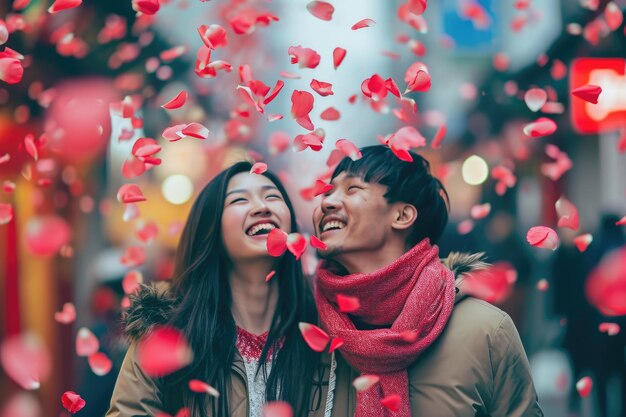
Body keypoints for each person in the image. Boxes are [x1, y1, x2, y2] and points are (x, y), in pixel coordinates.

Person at [312, 145, 543, 417]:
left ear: (402, 216)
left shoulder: (487, 332)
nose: (327, 202)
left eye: (352, 189)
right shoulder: (305, 330)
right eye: (327, 191)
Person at [106, 161, 334, 417]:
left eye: (272, 196)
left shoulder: (329, 332)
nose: (262, 207)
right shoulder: (165, 332)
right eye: (239, 201)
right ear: (211, 228)